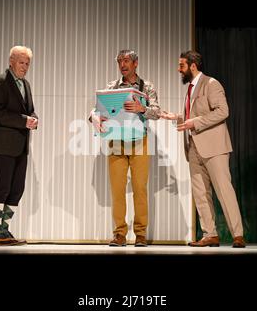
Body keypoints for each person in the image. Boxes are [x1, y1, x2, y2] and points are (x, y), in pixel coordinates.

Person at [160, 50, 246, 248]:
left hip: (214, 147)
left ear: (192, 65)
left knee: (224, 191)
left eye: (181, 65)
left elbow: (223, 111)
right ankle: (210, 234)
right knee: (200, 194)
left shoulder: (211, 84)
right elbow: (193, 116)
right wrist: (176, 117)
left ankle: (238, 235)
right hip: (193, 147)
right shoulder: (190, 88)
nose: (178, 69)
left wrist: (194, 122)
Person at [90, 50, 160, 247]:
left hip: (140, 141)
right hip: (116, 141)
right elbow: (97, 110)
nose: (122, 64)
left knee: (140, 189)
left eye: (126, 60)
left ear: (135, 63)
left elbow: (157, 112)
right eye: (119, 61)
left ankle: (140, 234)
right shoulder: (112, 86)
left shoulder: (147, 87)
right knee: (117, 190)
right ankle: (119, 233)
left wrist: (142, 109)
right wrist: (95, 117)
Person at [0, 45, 38, 246]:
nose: (25, 67)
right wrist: (22, 120)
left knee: (17, 189)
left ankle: (4, 231)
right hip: (4, 145)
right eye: (21, 62)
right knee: (2, 187)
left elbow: (30, 110)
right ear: (11, 61)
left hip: (21, 146)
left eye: (27, 63)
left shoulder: (26, 84)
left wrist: (33, 120)